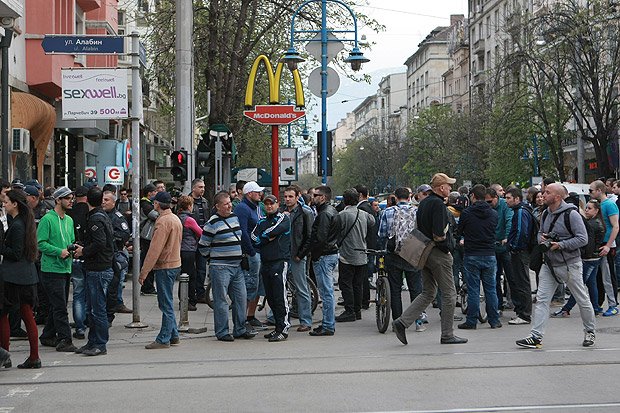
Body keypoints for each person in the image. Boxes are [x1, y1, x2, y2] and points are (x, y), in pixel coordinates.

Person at [516, 183, 595, 349]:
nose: (543, 195)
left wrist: (561, 244)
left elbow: (583, 239)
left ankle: (590, 331)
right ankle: (536, 336)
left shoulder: (572, 214)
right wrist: (542, 240)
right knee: (542, 300)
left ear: (557, 197)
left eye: (547, 192)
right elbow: (539, 233)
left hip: (570, 264)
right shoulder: (545, 213)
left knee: (582, 299)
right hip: (549, 264)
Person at [392, 173, 468, 345]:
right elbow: (439, 234)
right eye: (449, 185)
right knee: (449, 294)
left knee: (428, 292)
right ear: (441, 187)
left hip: (423, 251)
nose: (450, 188)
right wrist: (446, 250)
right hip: (437, 253)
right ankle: (447, 334)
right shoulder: (438, 205)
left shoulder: (424, 203)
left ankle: (402, 322)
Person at [199, 191, 256, 342]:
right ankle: (222, 331)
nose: (230, 205)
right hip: (220, 267)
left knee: (240, 298)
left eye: (230, 202)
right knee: (221, 300)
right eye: (226, 204)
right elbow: (203, 246)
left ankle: (240, 329)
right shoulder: (212, 223)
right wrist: (214, 258)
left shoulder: (234, 218)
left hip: (237, 266)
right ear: (217, 206)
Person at [1, 190, 41, 368]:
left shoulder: (17, 225)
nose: (4, 204)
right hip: (27, 276)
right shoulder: (26, 222)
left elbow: (16, 253)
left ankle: (5, 355)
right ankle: (33, 356)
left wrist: (1, 248)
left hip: (14, 277)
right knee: (27, 315)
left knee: (3, 315)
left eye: (7, 201)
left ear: (15, 204)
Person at [72, 187, 114, 356]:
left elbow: (100, 243)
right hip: (97, 267)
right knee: (92, 308)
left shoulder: (96, 219)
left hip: (99, 268)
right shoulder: (99, 216)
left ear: (87, 200)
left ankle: (100, 344)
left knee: (97, 309)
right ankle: (92, 342)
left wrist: (83, 251)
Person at [139, 191, 183, 349]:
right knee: (168, 301)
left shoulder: (162, 221)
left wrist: (144, 271)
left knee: (165, 304)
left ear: (157, 204)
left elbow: (154, 249)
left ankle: (164, 338)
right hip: (174, 263)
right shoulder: (175, 218)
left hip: (165, 265)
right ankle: (173, 334)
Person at [37, 186, 78, 352]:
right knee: (60, 306)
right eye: (67, 198)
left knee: (57, 305)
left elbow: (71, 239)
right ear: (58, 200)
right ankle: (65, 339)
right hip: (51, 269)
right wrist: (58, 251)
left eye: (71, 198)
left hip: (66, 268)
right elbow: (41, 243)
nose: (71, 201)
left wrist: (72, 249)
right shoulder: (47, 219)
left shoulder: (69, 220)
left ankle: (47, 336)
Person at [377, 187, 424, 328]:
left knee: (395, 288)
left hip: (394, 254)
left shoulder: (388, 212)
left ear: (395, 198)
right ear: (409, 198)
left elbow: (382, 233)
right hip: (413, 252)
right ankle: (418, 321)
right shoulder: (417, 211)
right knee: (415, 287)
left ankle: (398, 320)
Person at [456, 184, 501, 329]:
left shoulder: (467, 213)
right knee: (491, 289)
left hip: (472, 254)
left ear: (473, 196)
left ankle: (471, 321)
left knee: (473, 289)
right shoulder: (494, 213)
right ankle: (494, 320)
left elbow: (459, 232)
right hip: (489, 253)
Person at [553, 199, 604, 317]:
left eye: (589, 208)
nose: (586, 210)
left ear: (596, 210)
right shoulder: (595, 222)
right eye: (586, 207)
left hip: (590, 259)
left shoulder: (593, 224)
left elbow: (586, 241)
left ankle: (566, 308)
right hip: (593, 258)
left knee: (578, 286)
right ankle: (595, 307)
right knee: (591, 283)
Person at [252, 195, 292, 341]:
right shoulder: (262, 220)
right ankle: (277, 327)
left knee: (280, 297)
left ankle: (284, 328)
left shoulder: (283, 218)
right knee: (271, 298)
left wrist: (264, 236)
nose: (269, 206)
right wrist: (265, 238)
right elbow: (253, 238)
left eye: (271, 204)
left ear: (277, 204)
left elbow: (276, 230)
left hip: (279, 261)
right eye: (266, 204)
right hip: (266, 262)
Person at [335, 189, 375, 323]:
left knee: (346, 284)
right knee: (358, 284)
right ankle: (357, 311)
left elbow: (337, 231)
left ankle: (349, 310)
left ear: (344, 200)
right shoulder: (364, 215)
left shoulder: (342, 215)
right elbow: (372, 222)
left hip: (347, 254)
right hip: (362, 253)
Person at [234, 181, 266, 329]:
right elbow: (243, 231)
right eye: (257, 192)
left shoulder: (257, 207)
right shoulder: (242, 208)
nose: (260, 194)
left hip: (259, 250)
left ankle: (250, 315)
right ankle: (243, 318)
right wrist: (251, 252)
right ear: (249, 193)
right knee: (249, 285)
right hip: (251, 252)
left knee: (258, 285)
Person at [308, 186, 339, 336]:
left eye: (316, 195)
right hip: (329, 253)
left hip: (324, 255)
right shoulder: (330, 211)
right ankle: (327, 323)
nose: (313, 197)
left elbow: (320, 238)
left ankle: (327, 325)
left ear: (323, 197)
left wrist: (315, 254)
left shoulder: (324, 214)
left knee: (326, 292)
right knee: (327, 291)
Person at [282, 186, 313, 331]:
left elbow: (309, 236)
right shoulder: (282, 211)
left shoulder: (305, 212)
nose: (287, 199)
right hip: (283, 254)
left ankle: (305, 320)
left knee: (301, 288)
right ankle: (277, 317)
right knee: (281, 287)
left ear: (297, 196)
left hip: (296, 255)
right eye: (286, 196)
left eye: (290, 197)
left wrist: (300, 254)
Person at [505, 187, 535, 325]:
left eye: (509, 198)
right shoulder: (521, 211)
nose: (506, 201)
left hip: (520, 251)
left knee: (522, 282)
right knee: (521, 281)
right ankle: (523, 312)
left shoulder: (521, 212)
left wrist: (513, 247)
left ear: (517, 199)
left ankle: (525, 314)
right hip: (521, 251)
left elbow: (520, 232)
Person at [588, 180, 619, 316]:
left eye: (591, 190)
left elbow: (616, 226)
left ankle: (613, 305)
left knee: (607, 277)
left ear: (599, 190)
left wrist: (608, 245)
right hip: (600, 244)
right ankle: (598, 304)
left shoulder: (610, 204)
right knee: (598, 277)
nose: (590, 193)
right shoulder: (599, 205)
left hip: (606, 245)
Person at [102, 191, 132, 316]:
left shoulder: (117, 217)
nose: (103, 202)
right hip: (104, 255)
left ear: (114, 202)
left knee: (116, 283)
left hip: (116, 254)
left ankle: (116, 305)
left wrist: (111, 238)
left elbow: (125, 234)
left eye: (106, 200)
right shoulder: (100, 214)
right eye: (102, 199)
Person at [485, 188, 514, 311]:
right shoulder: (487, 208)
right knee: (494, 278)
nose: (488, 204)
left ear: (496, 198)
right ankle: (498, 304)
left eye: (490, 201)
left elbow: (509, 221)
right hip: (492, 247)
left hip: (503, 246)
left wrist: (507, 237)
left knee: (511, 276)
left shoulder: (504, 206)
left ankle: (515, 303)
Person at [67, 186, 89, 339]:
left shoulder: (69, 213)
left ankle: (80, 327)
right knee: (91, 293)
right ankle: (88, 322)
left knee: (78, 293)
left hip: (74, 255)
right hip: (89, 257)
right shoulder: (92, 213)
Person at [177, 196, 203, 311]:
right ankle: (189, 300)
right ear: (189, 206)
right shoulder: (189, 220)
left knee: (183, 275)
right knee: (191, 276)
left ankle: (182, 299)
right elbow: (200, 233)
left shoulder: (177, 217)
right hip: (189, 250)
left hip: (179, 249)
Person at [355, 184, 378, 310]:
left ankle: (364, 300)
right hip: (368, 244)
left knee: (362, 275)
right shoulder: (367, 207)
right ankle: (364, 299)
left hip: (365, 246)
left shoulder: (363, 209)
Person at [189, 178, 210, 304]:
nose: (202, 189)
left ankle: (200, 293)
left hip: (203, 239)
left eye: (203, 187)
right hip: (190, 240)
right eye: (200, 187)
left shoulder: (205, 202)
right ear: (193, 188)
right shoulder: (188, 201)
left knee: (202, 268)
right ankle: (190, 294)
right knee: (190, 269)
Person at [139, 183, 158, 296]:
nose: (156, 193)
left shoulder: (148, 203)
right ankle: (147, 286)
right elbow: (155, 215)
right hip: (146, 236)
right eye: (155, 191)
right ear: (150, 193)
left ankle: (148, 285)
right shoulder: (145, 204)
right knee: (147, 259)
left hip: (146, 235)